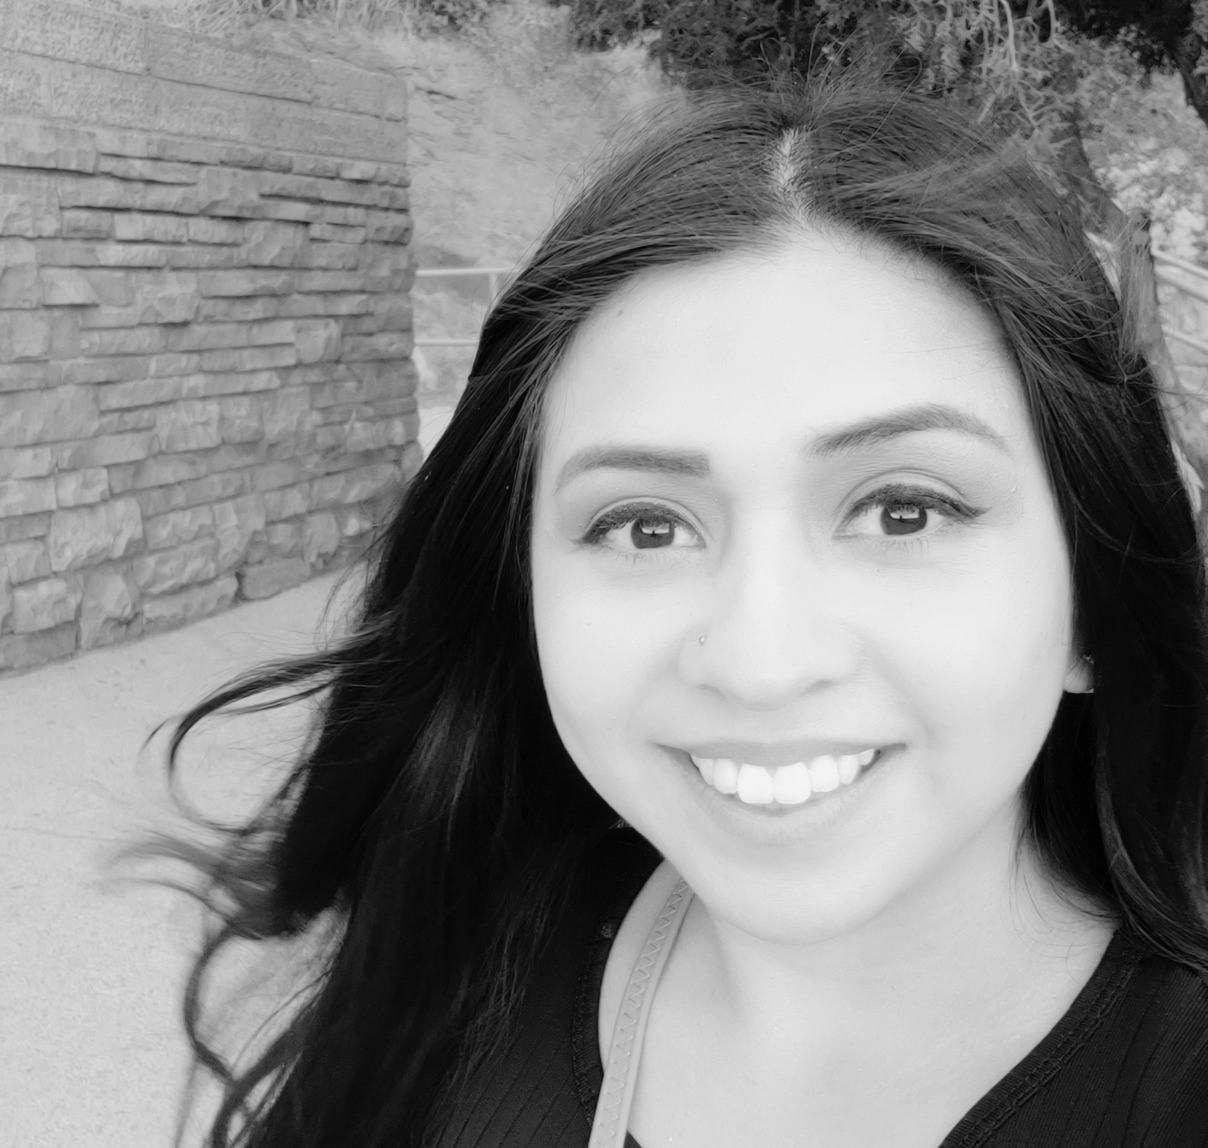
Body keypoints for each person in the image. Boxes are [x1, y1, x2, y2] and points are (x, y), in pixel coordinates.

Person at [166, 70, 1208, 1148]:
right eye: (644, 526)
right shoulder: (459, 971)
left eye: (904, 509)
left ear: (1092, 592)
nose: (759, 660)